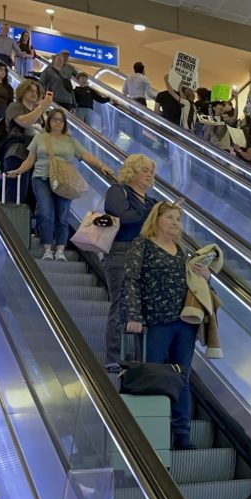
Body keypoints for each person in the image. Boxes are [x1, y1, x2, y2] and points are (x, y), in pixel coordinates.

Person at [122, 202, 211, 449]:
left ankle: (182, 433)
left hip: (184, 323)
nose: (175, 222)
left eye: (179, 219)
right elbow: (131, 280)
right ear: (157, 219)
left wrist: (206, 276)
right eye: (170, 217)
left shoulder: (182, 250)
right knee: (152, 374)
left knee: (182, 376)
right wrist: (134, 315)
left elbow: (195, 283)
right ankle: (151, 429)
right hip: (155, 321)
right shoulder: (142, 245)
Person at [6, 109, 113, 261]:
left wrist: (101, 165)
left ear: (64, 123)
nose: (57, 122)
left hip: (65, 182)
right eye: (54, 119)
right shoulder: (40, 138)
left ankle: (61, 250)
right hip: (41, 178)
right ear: (48, 121)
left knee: (62, 216)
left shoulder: (70, 141)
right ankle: (47, 249)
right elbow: (30, 160)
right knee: (46, 213)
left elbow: (85, 155)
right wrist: (18, 171)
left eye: (61, 120)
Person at [103, 154, 159, 369]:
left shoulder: (152, 201)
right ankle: (113, 358)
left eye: (151, 171)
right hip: (121, 252)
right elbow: (123, 216)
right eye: (144, 170)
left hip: (145, 254)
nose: (148, 175)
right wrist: (152, 214)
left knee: (142, 307)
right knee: (121, 303)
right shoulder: (118, 191)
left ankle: (138, 357)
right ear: (132, 171)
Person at [2, 79, 49, 209]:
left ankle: (23, 226)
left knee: (30, 199)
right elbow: (24, 122)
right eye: (30, 90)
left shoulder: (38, 114)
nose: (34, 94)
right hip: (17, 153)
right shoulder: (15, 106)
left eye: (36, 91)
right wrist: (41, 107)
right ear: (22, 91)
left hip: (34, 157)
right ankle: (9, 224)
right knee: (15, 195)